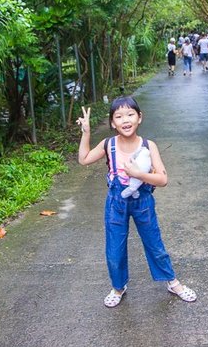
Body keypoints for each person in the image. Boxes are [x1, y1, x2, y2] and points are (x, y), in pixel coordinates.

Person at [77, 97, 197, 308]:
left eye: (130, 114)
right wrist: (86, 133)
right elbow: (84, 159)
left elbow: (162, 179)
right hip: (116, 203)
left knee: (154, 244)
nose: (125, 120)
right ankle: (118, 286)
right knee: (115, 248)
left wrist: (139, 174)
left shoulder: (148, 145)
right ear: (113, 123)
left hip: (142, 201)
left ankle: (173, 282)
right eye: (119, 116)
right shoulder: (108, 144)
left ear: (139, 118)